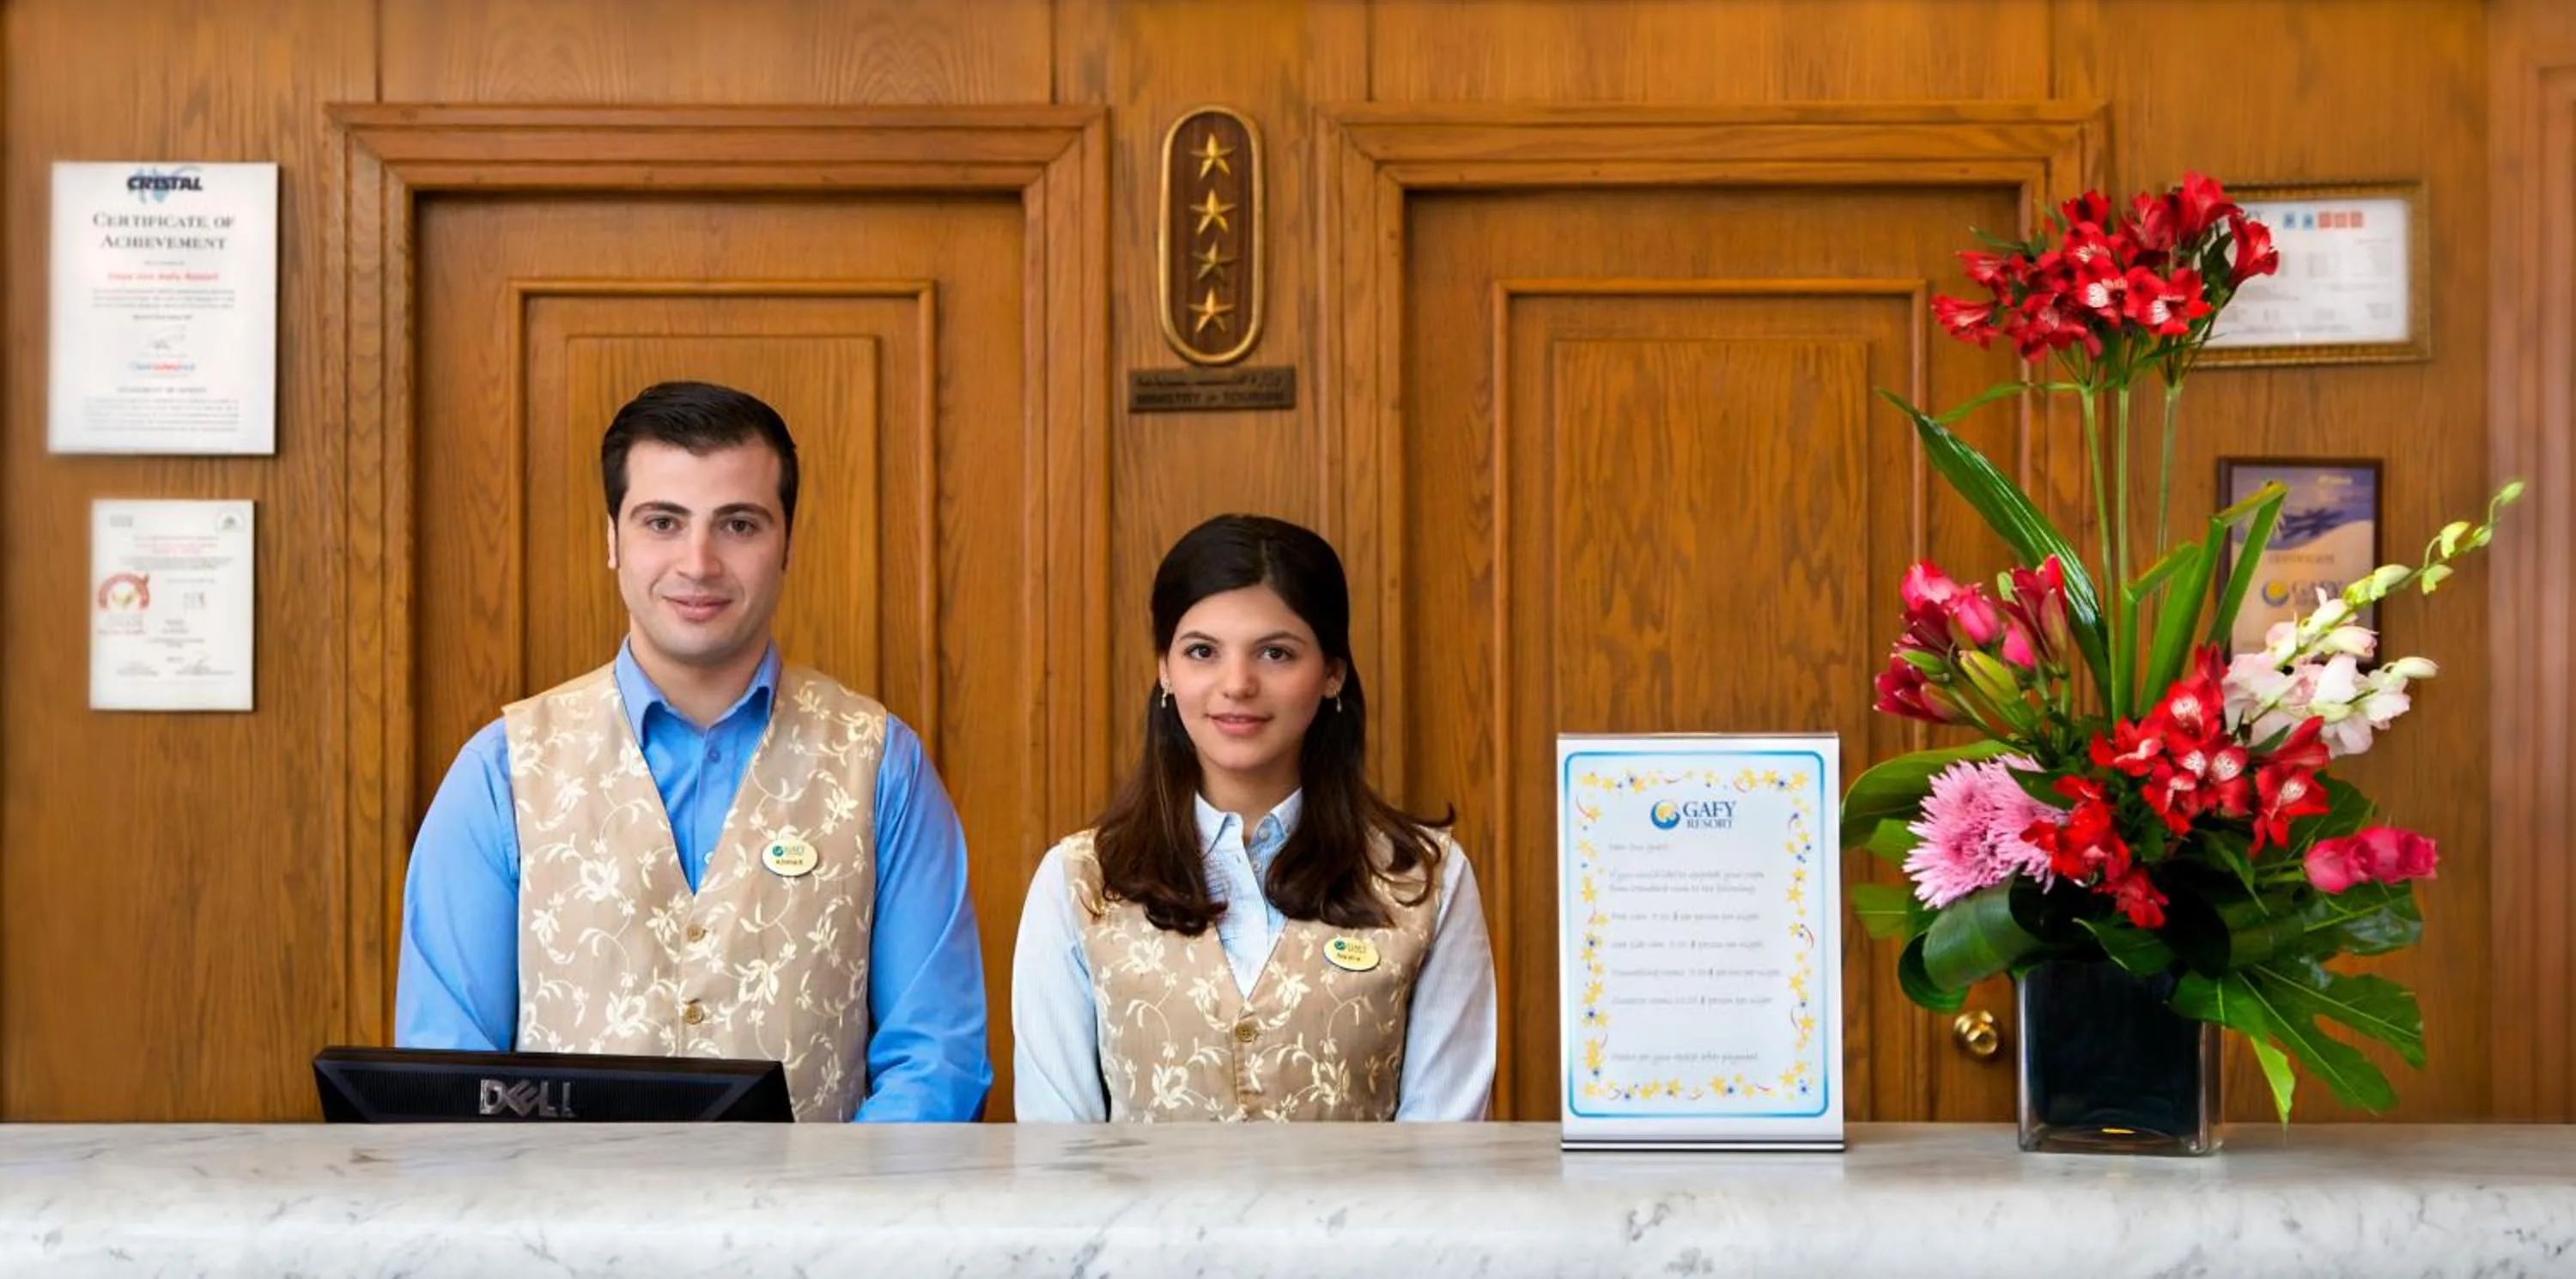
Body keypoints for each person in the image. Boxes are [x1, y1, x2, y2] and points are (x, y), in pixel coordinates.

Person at [396, 380, 990, 1122]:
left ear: (789, 543)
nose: (699, 562)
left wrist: (829, 1221)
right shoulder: (501, 770)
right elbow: (448, 1076)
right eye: (663, 522)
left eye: (739, 524)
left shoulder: (882, 766)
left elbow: (936, 1061)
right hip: (556, 1226)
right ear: (612, 539)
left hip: (815, 1227)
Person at [1012, 514, 1496, 1121]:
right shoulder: (1080, 880)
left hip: (1373, 1219)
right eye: (1202, 652)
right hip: (1130, 1220)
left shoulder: (1426, 878)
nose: (1237, 684)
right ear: (1166, 670)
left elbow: (1443, 1148)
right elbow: (1059, 1147)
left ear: (1332, 674)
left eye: (1275, 652)